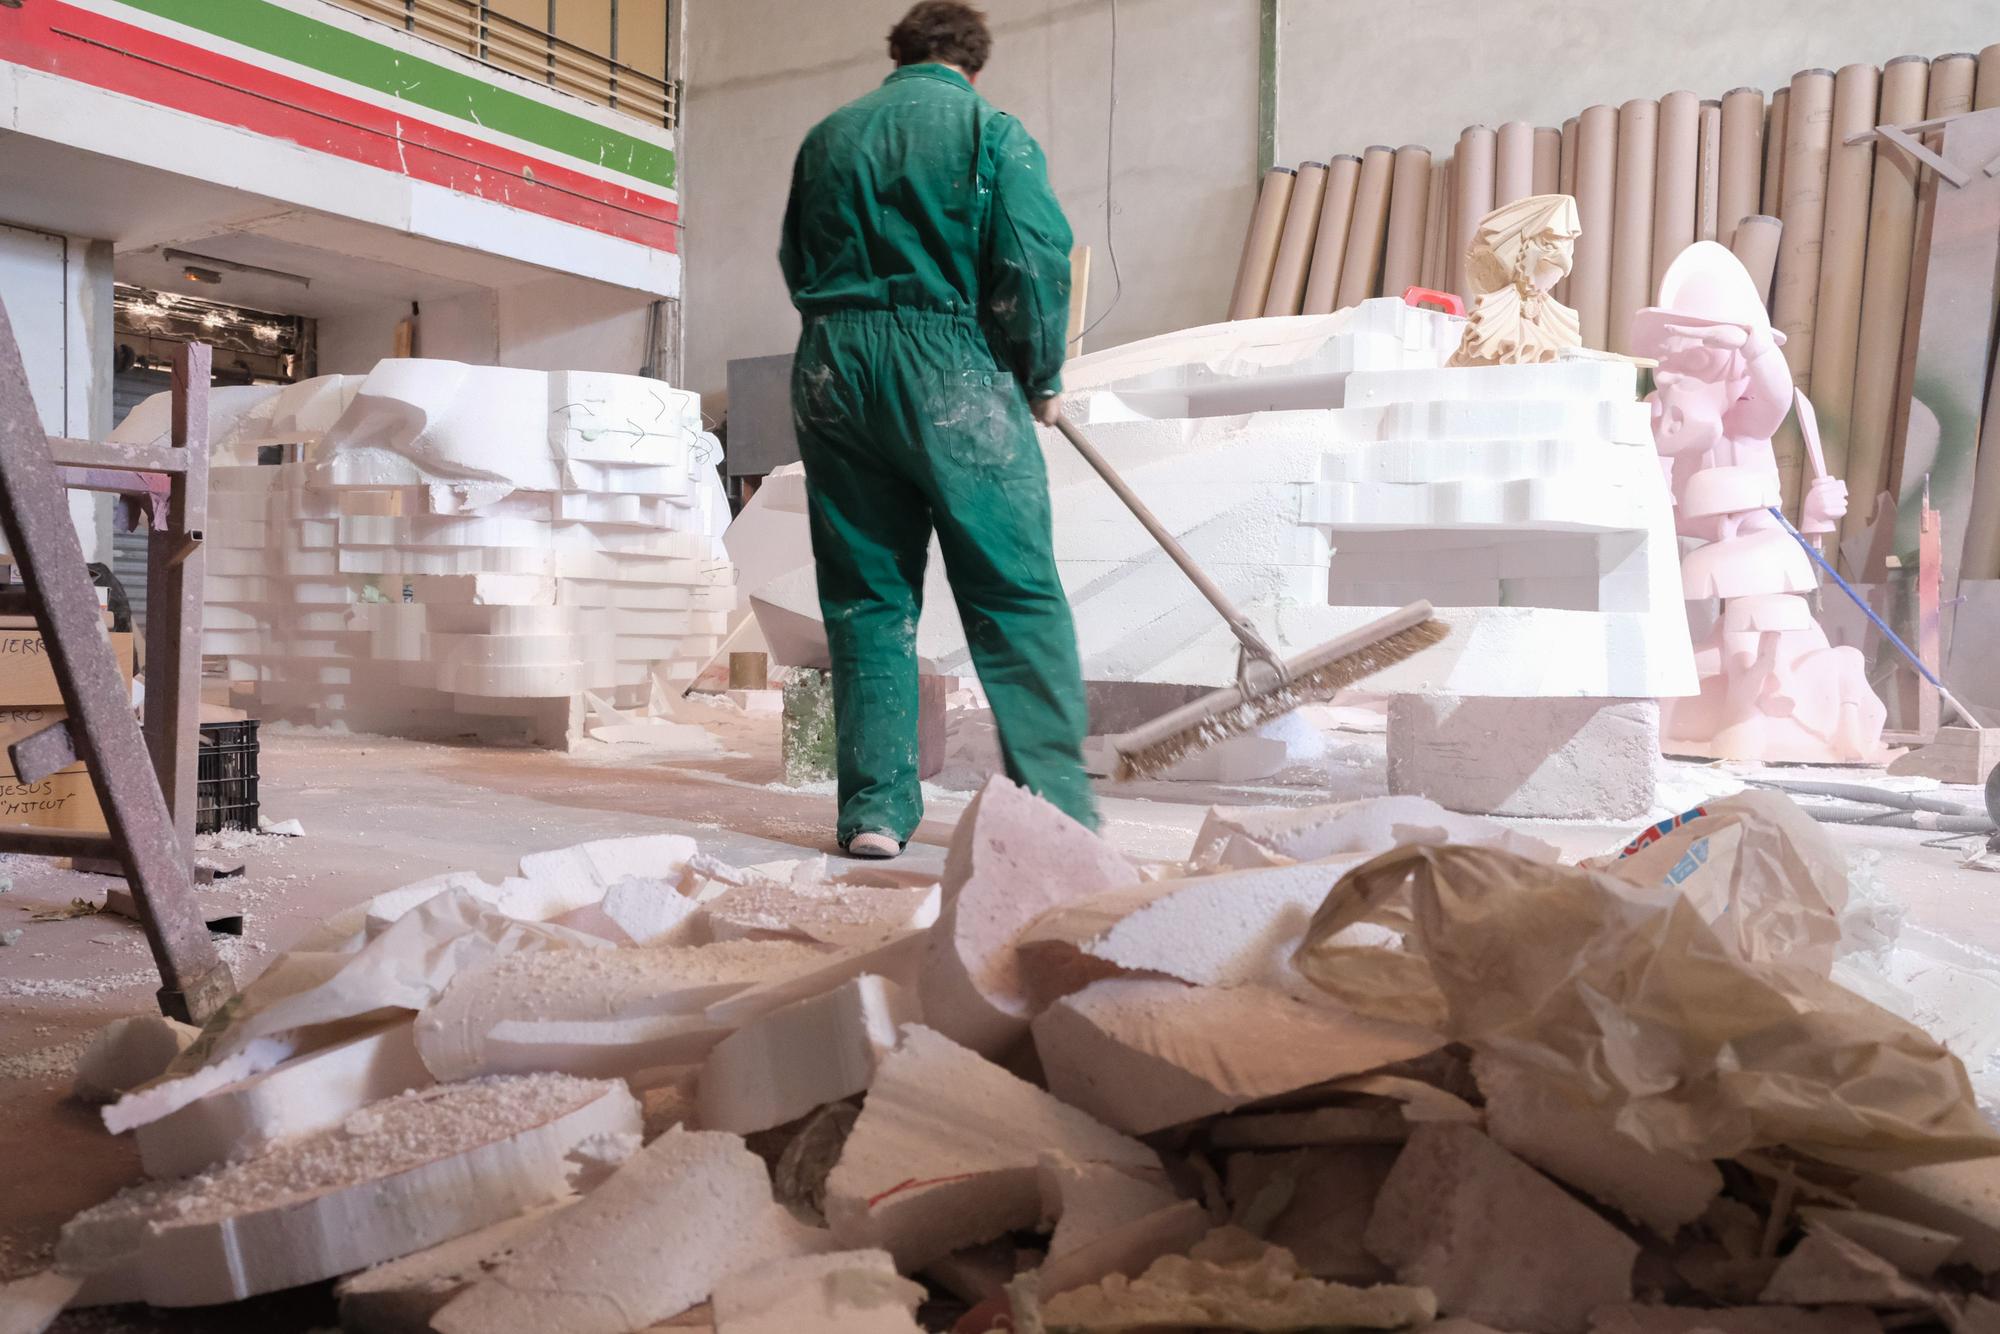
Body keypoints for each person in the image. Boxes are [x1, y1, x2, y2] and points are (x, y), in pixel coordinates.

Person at [779, 0, 1096, 859]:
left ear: (900, 57)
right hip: (948, 365)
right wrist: (1041, 374)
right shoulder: (992, 130)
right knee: (1013, 589)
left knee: (867, 596)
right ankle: (1058, 811)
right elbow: (1032, 260)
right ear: (974, 66)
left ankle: (876, 813)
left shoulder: (828, 137)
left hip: (831, 368)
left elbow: (796, 262)